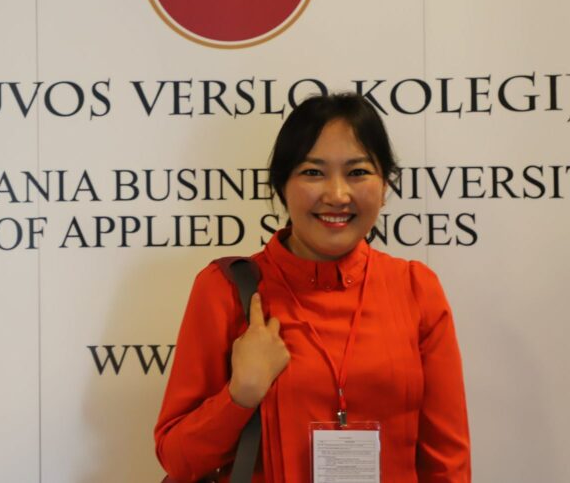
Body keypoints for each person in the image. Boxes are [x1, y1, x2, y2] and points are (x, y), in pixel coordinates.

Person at [155, 93, 470, 483]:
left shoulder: (415, 288)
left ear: (384, 185)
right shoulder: (225, 289)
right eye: (313, 172)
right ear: (281, 185)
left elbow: (447, 463)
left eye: (358, 172)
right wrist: (240, 395)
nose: (337, 195)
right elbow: (177, 459)